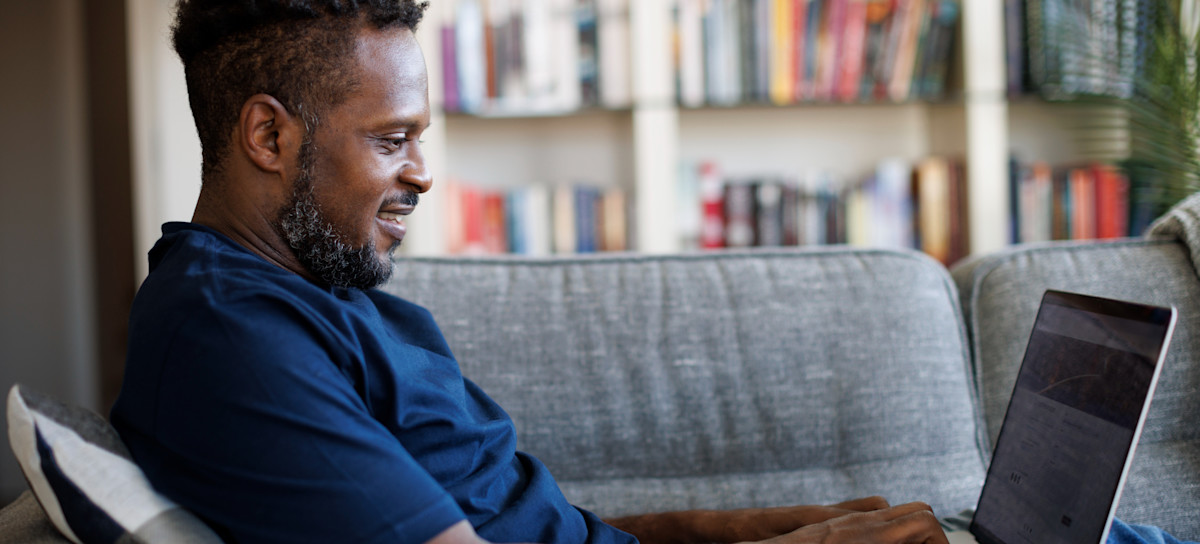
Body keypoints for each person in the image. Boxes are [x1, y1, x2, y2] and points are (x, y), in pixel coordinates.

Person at [110, 1, 951, 543]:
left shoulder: (313, 287)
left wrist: (764, 528)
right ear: (269, 137)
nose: (423, 172)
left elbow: (540, 530)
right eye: (392, 138)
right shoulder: (228, 339)